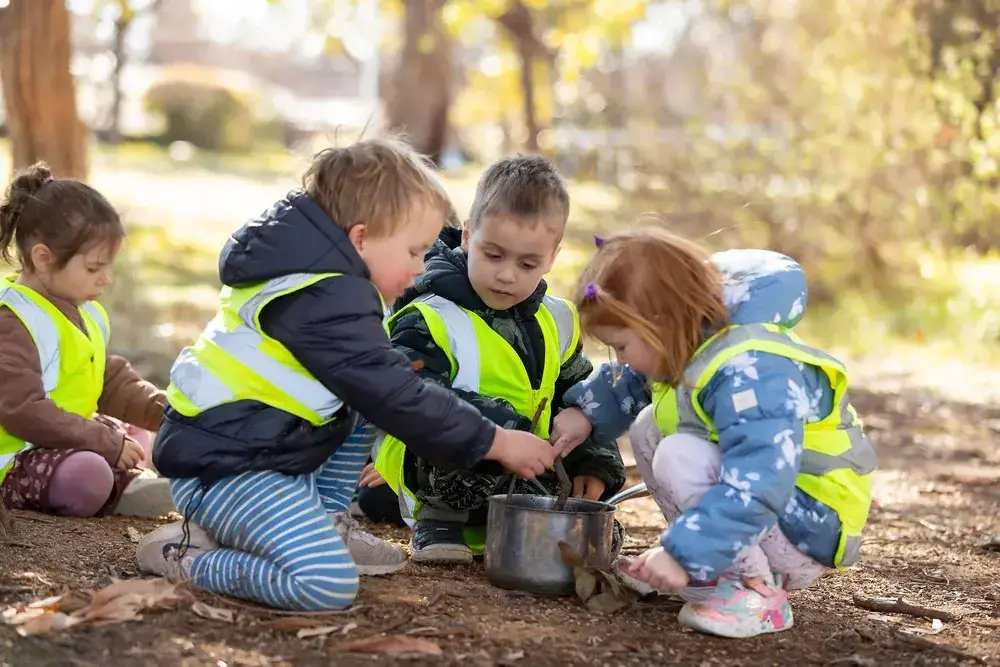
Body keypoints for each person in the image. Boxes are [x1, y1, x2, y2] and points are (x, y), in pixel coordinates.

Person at [136, 137, 561, 612]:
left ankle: (325, 518)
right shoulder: (321, 300)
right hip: (225, 468)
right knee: (326, 584)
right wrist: (496, 441)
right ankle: (189, 556)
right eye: (415, 251)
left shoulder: (336, 284)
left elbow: (383, 385)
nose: (422, 266)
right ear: (361, 239)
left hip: (266, 448)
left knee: (375, 386)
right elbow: (396, 395)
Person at [550, 227, 875, 639]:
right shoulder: (692, 341)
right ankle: (712, 574)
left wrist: (681, 552)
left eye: (621, 346)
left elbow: (760, 480)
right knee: (651, 425)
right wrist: (586, 413)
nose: (619, 359)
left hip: (806, 527)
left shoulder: (750, 371)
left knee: (679, 454)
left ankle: (757, 593)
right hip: (772, 515)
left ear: (661, 325)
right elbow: (636, 380)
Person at [374, 156, 625, 564]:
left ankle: (525, 517)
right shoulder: (431, 316)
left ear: (552, 257)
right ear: (469, 237)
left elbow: (579, 398)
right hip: (443, 466)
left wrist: (595, 464)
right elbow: (409, 400)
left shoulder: (558, 320)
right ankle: (439, 520)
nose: (507, 275)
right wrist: (507, 433)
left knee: (595, 528)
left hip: (524, 466)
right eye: (493, 256)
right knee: (449, 425)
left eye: (527, 264)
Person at [0, 163, 172, 519]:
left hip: (67, 439)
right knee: (89, 473)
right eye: (94, 268)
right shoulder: (12, 321)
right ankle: (115, 485)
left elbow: (105, 378)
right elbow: (21, 410)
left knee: (139, 433)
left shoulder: (85, 310)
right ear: (43, 258)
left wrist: (161, 408)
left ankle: (125, 484)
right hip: (17, 459)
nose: (106, 279)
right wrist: (104, 442)